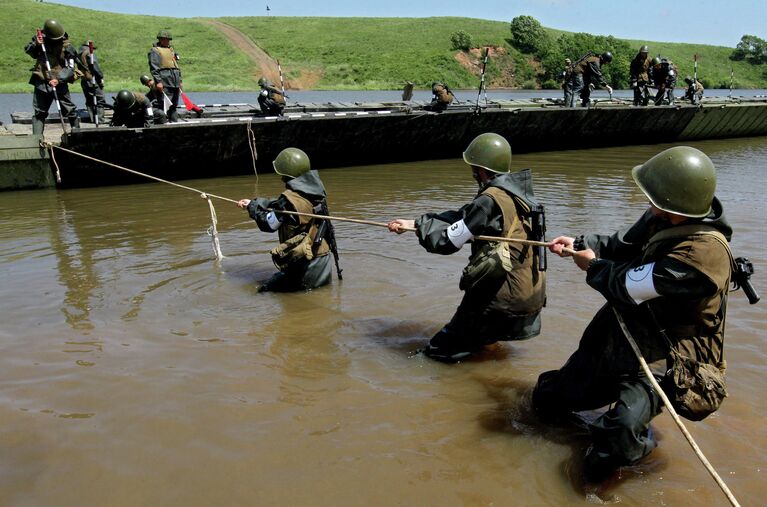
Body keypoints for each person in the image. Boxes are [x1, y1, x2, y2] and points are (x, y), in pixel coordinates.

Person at [532, 146, 734, 482]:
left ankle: (632, 448)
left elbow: (626, 284)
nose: (649, 205)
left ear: (676, 202)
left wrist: (592, 266)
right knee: (547, 401)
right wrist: (580, 242)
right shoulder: (665, 213)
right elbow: (622, 244)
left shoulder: (701, 257)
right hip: (624, 328)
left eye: (655, 199)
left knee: (617, 437)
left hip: (667, 351)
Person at [387, 133, 547, 363]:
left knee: (435, 353)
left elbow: (447, 242)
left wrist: (422, 230)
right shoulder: (517, 193)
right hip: (529, 292)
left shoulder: (489, 199)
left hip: (500, 297)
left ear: (481, 169)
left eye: (473, 167)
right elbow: (465, 218)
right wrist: (415, 224)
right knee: (482, 344)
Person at [237, 148, 342, 292]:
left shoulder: (289, 200)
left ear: (286, 175)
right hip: (323, 259)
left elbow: (268, 224)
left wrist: (252, 208)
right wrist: (256, 203)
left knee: (262, 291)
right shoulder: (315, 191)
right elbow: (282, 206)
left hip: (306, 266)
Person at [24, 19, 80, 135]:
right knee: (40, 113)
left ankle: (77, 135)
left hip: (60, 82)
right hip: (42, 82)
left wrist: (58, 79)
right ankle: (37, 140)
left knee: (70, 110)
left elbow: (70, 68)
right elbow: (29, 51)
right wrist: (36, 45)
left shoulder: (67, 47)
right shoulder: (40, 40)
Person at [148, 29, 181, 122]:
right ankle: (162, 124)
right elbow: (154, 67)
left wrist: (180, 81)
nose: (167, 41)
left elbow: (176, 66)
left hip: (175, 82)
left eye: (168, 39)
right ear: (161, 39)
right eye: (165, 39)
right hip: (165, 81)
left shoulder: (171, 50)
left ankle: (174, 123)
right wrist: (158, 82)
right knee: (163, 105)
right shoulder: (155, 50)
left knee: (174, 105)